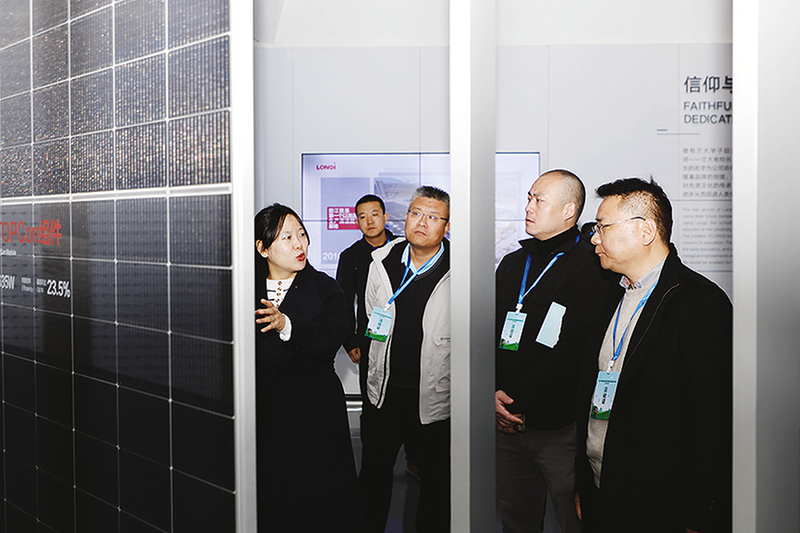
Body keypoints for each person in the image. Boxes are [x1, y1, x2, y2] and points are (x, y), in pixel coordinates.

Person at [575, 178, 732, 533]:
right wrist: (584, 482)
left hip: (660, 506)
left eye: (602, 227)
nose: (594, 239)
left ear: (645, 231)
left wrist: (699, 511)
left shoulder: (700, 304)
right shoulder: (613, 295)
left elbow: (712, 421)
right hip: (602, 490)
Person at [494, 170, 609, 533]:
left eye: (538, 200)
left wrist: (512, 398)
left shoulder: (592, 267)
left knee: (572, 518)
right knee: (516, 520)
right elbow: (487, 336)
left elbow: (573, 351)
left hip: (560, 428)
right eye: (529, 198)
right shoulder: (513, 263)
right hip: (505, 423)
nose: (528, 207)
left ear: (568, 210)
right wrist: (493, 396)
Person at [254, 204, 366, 533]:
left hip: (313, 405)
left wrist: (286, 324)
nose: (299, 244)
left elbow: (331, 335)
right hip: (263, 404)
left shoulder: (324, 287)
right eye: (287, 237)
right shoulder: (244, 287)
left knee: (314, 493)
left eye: (301, 234)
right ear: (262, 248)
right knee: (268, 489)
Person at [358, 186, 451, 533]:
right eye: (416, 213)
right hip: (383, 394)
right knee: (372, 476)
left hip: (434, 399)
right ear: (405, 217)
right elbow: (371, 316)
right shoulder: (381, 262)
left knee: (437, 484)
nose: (422, 222)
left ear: (446, 226)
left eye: (433, 217)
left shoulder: (459, 268)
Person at [335, 194, 396, 398]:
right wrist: (350, 341)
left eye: (375, 214)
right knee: (372, 391)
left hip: (404, 332)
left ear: (385, 217)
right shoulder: (350, 256)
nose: (369, 221)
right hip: (370, 335)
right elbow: (343, 302)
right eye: (363, 217)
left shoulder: (403, 248)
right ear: (357, 222)